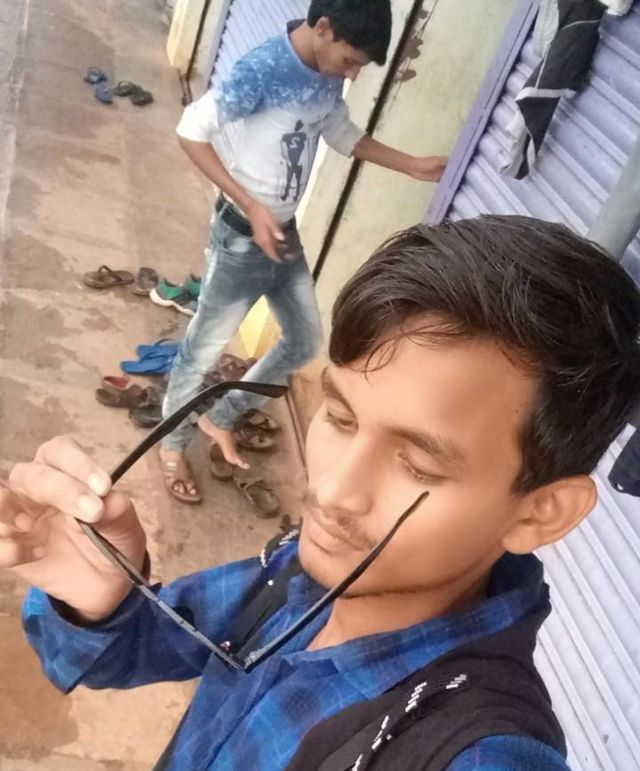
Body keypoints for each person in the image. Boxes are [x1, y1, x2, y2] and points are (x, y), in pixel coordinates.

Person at [5, 216, 640, 769]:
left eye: (419, 465)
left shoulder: (473, 753)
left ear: (541, 514)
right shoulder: (296, 574)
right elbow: (136, 648)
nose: (331, 492)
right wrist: (100, 598)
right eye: (339, 418)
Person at [159, 0, 447, 504]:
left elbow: (339, 132)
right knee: (201, 351)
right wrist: (250, 205)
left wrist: (411, 165)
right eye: (350, 61)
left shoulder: (325, 72)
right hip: (241, 236)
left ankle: (220, 417)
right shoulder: (263, 69)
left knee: (304, 341)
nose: (352, 74)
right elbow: (191, 131)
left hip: (283, 235)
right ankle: (171, 446)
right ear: (324, 28)